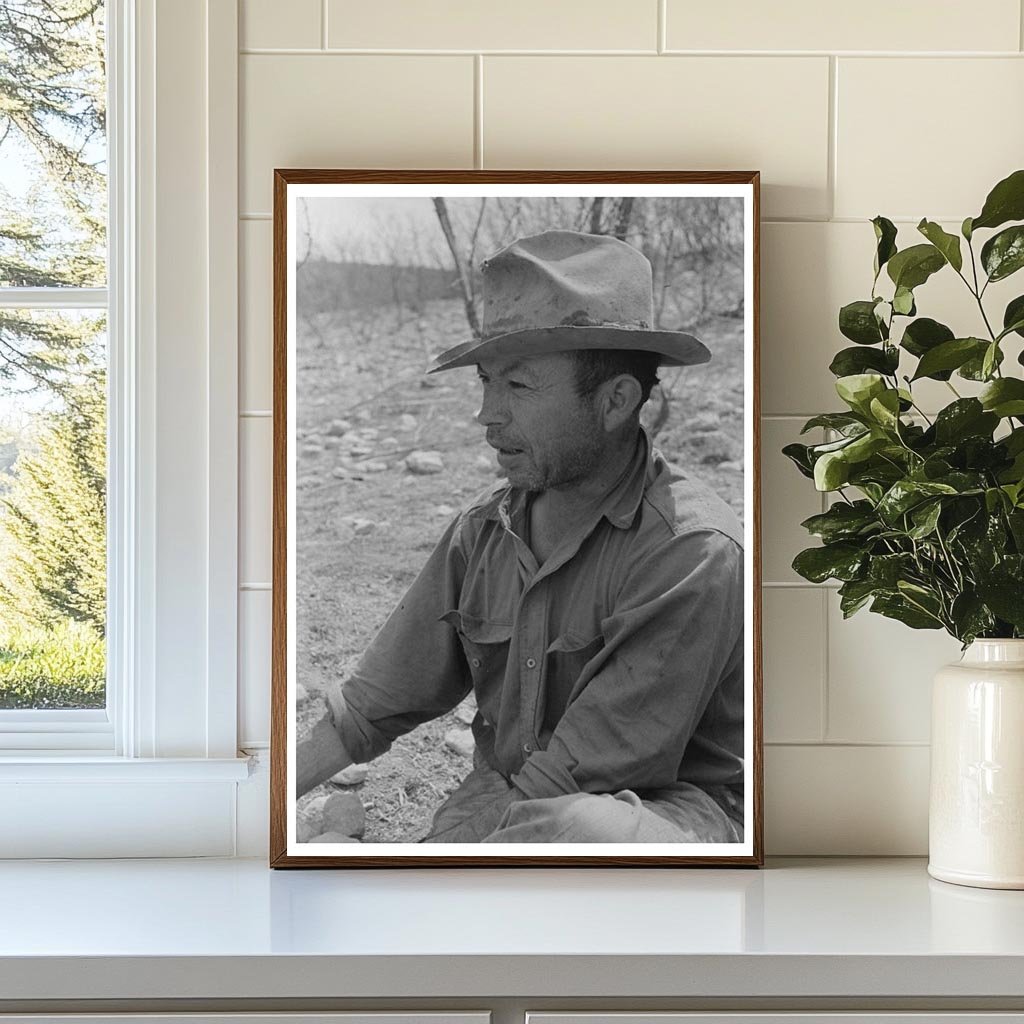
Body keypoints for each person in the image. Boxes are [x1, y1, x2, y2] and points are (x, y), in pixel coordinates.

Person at [296, 229, 745, 844]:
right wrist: (243, 802)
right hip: (514, 804)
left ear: (615, 402)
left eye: (519, 386)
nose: (487, 415)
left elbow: (578, 773)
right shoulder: (484, 531)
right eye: (486, 381)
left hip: (657, 816)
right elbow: (370, 708)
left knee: (584, 830)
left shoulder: (691, 550)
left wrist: (437, 865)